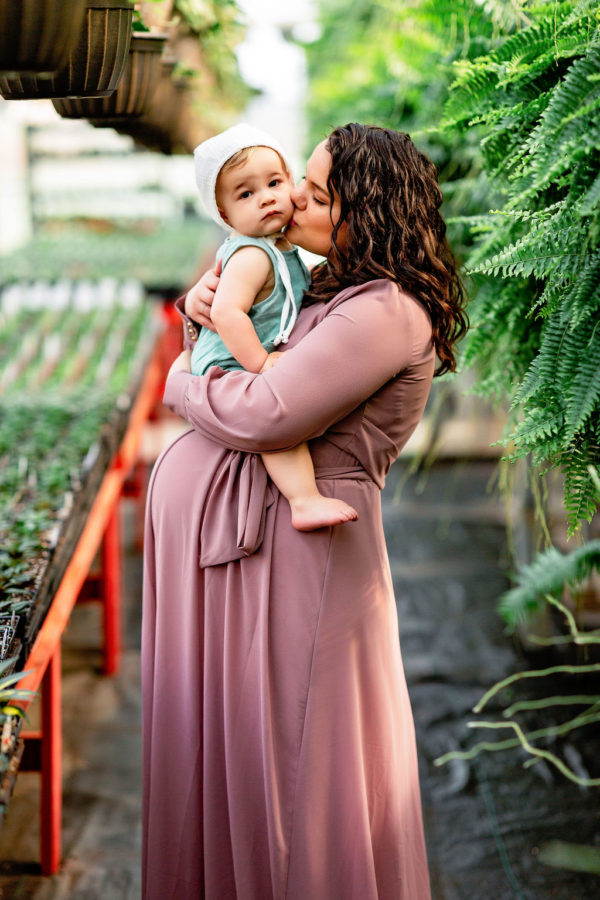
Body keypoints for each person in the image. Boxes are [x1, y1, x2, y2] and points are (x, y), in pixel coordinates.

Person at [142, 122, 467, 900]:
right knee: (240, 750)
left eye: (316, 194)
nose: (291, 203)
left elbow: (268, 412)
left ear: (370, 209)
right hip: (257, 551)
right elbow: (249, 365)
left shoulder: (385, 310)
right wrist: (200, 319)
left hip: (301, 557)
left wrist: (183, 382)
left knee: (296, 767)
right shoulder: (326, 286)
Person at [191, 123, 358, 531]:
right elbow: (227, 313)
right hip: (231, 362)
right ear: (226, 214)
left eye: (275, 182)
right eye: (246, 194)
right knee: (275, 423)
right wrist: (260, 362)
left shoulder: (280, 246)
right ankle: (303, 500)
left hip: (240, 357)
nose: (266, 198)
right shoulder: (252, 254)